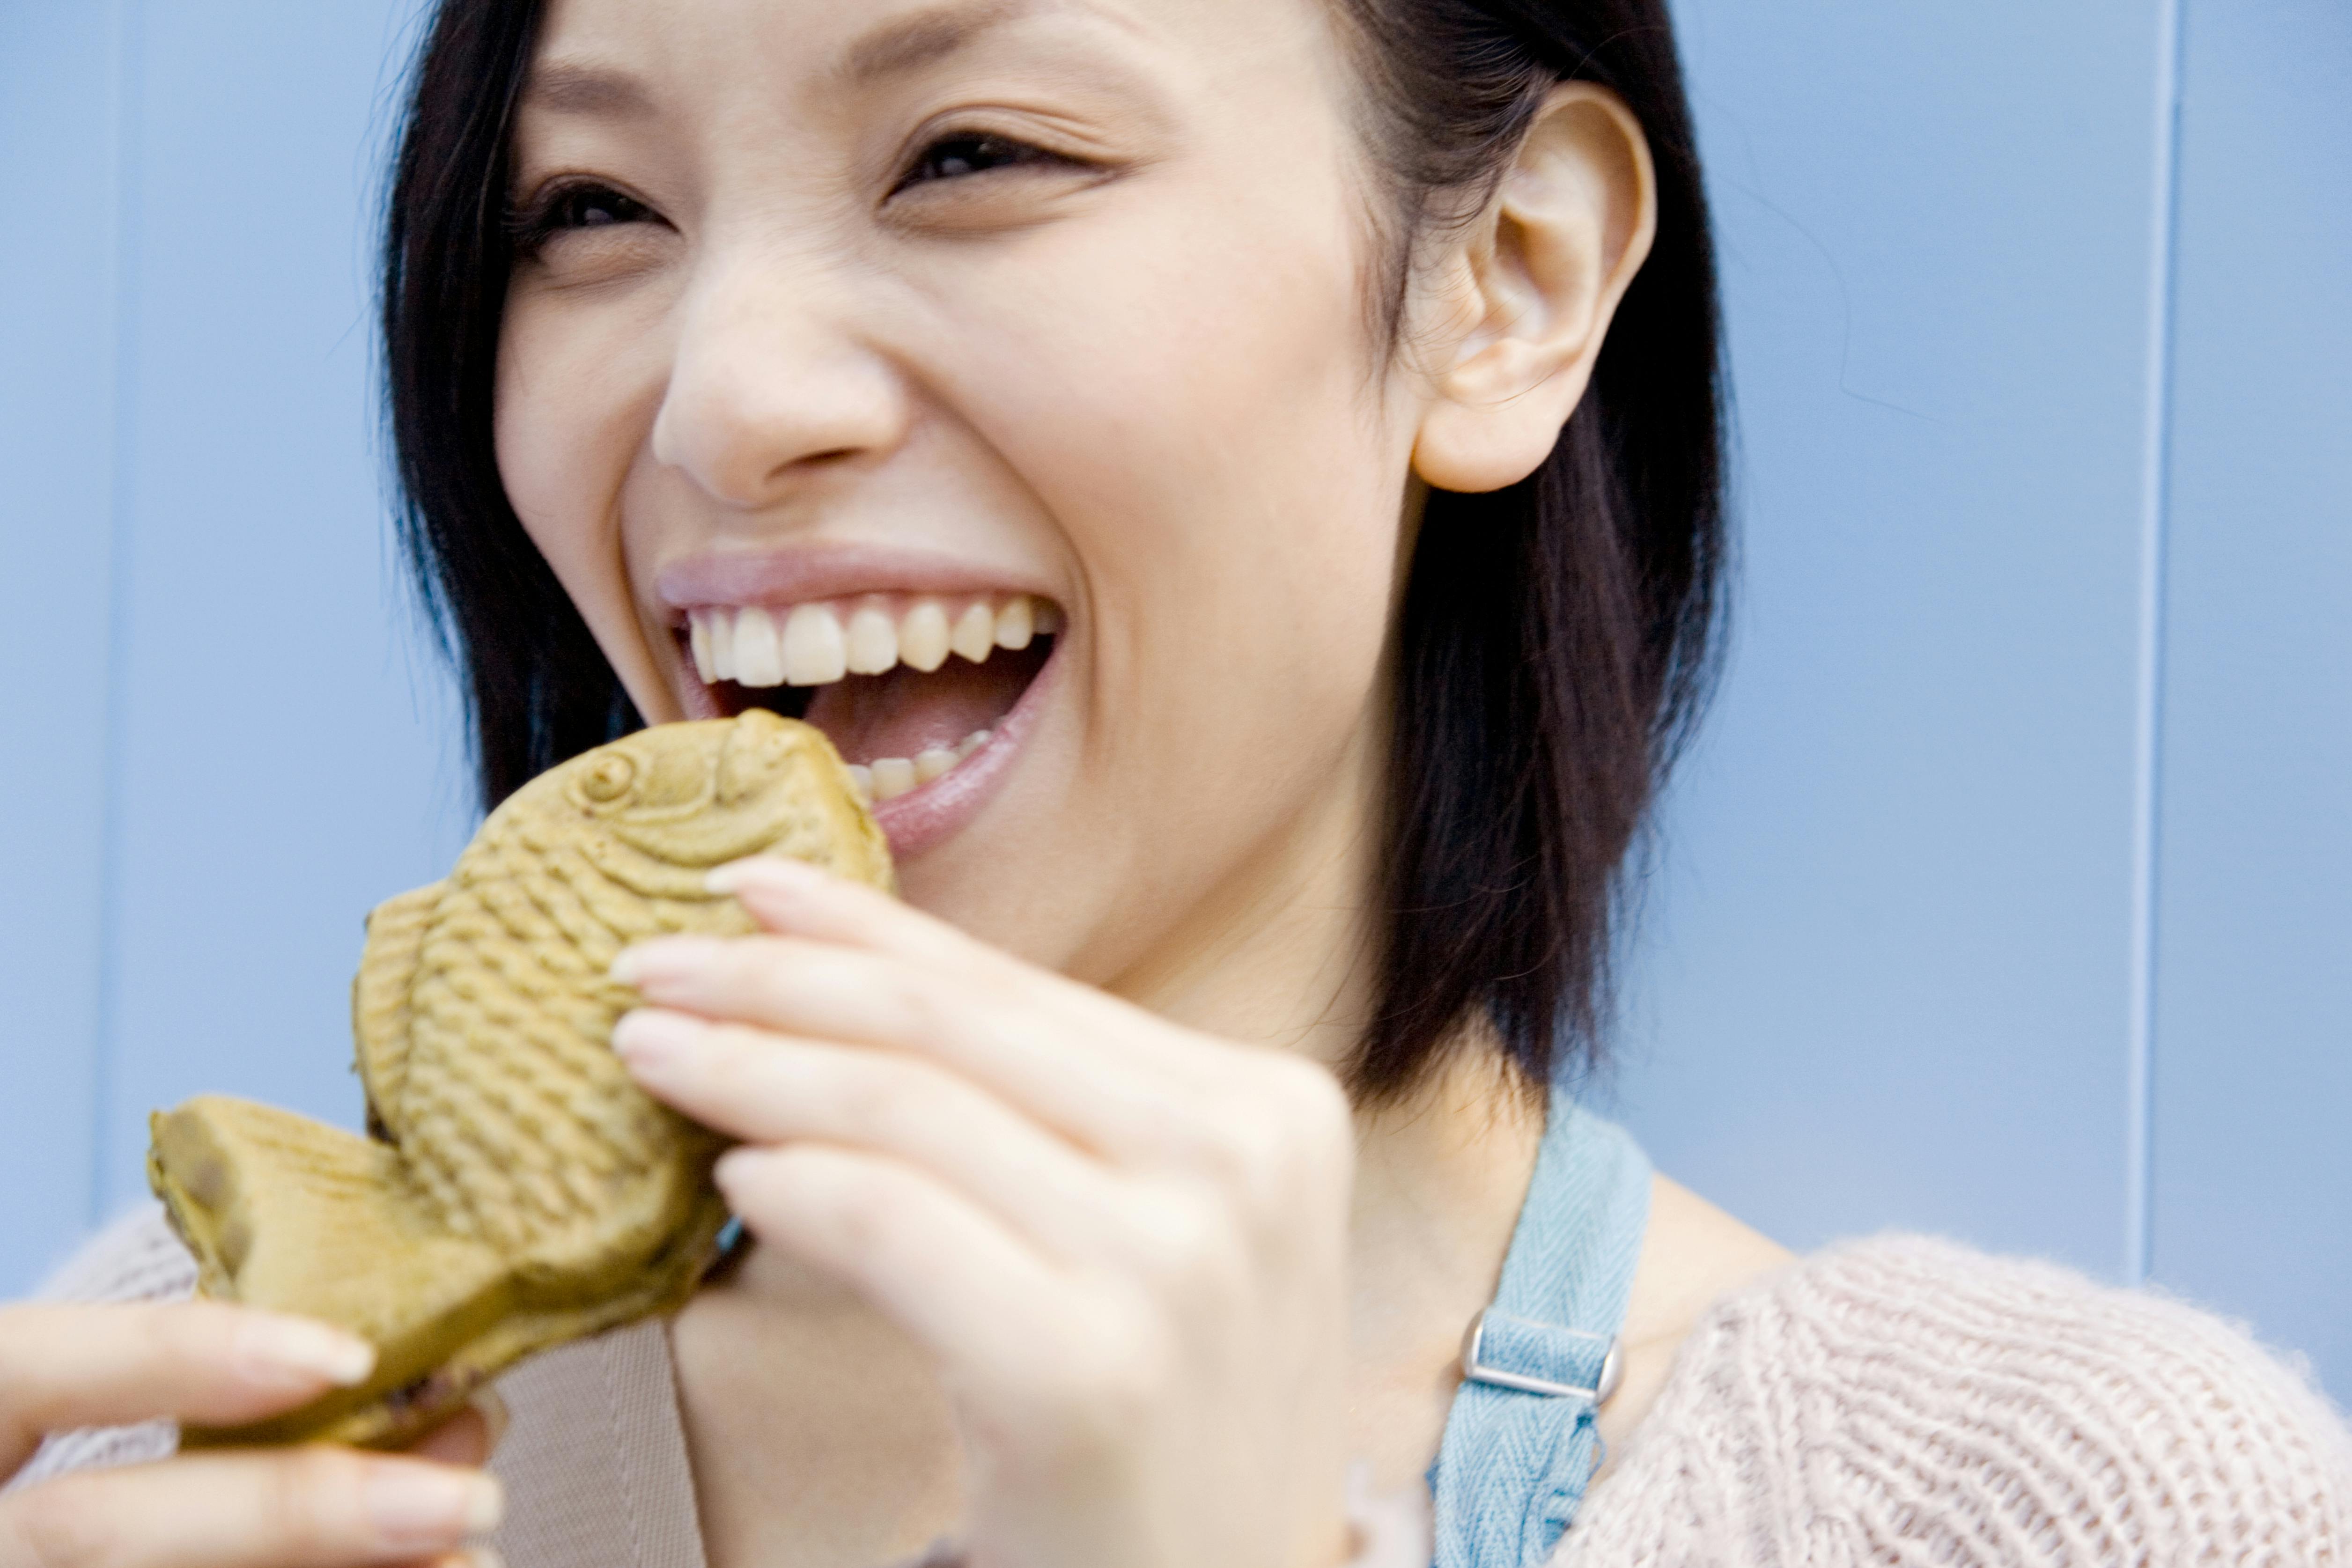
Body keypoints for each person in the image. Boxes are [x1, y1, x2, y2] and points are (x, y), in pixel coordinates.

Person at [5, 0, 2348, 1564]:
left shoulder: (2067, 1514)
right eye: (588, 209)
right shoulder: (177, 1403)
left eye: (973, 152)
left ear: (1506, 280)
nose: (723, 400)